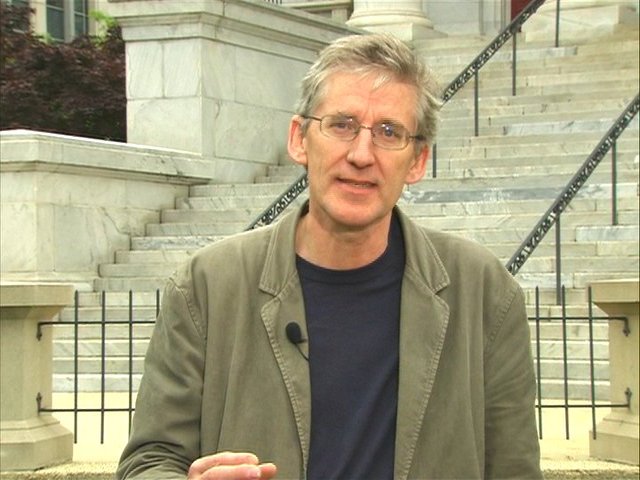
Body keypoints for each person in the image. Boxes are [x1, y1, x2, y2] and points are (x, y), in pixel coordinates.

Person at [116, 33, 542, 480]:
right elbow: (148, 462)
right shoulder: (206, 286)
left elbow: (515, 471)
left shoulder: (484, 292)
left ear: (418, 161)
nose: (361, 154)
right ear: (299, 139)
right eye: (341, 125)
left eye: (389, 132)